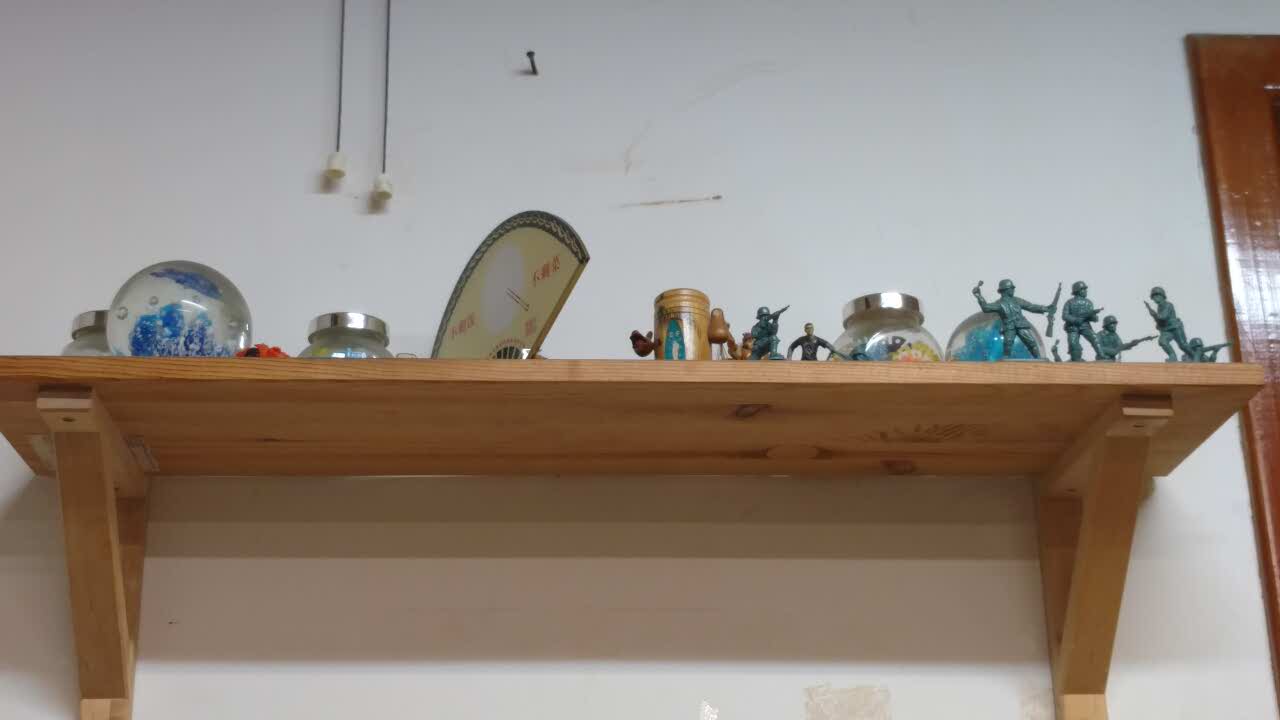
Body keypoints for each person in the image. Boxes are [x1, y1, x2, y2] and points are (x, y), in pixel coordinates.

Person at [972, 279, 1053, 359]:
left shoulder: (1017, 300)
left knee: (1032, 342)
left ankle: (1039, 358)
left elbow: (1031, 307)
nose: (1013, 290)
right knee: (1008, 343)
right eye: (1011, 288)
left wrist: (1045, 308)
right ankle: (1006, 360)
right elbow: (986, 308)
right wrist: (979, 296)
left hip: (1021, 325)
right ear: (1005, 290)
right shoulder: (999, 303)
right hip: (1009, 327)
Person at [1145, 286, 1192, 362]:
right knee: (1162, 341)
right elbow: (1160, 321)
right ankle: (1172, 356)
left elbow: (1163, 317)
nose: (1155, 298)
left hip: (1175, 328)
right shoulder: (1159, 307)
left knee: (1183, 345)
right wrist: (1157, 322)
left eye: (1157, 296)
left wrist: (1153, 314)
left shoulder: (1168, 305)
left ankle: (1194, 356)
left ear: (1162, 296)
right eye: (1153, 297)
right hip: (1167, 330)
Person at [1061, 281, 1103, 362]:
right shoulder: (1069, 302)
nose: (1086, 291)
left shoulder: (1088, 302)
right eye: (1083, 289)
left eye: (1085, 289)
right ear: (1077, 290)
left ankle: (1101, 355)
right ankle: (1076, 359)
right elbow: (1065, 316)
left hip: (1085, 326)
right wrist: (1075, 320)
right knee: (1073, 343)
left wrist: (1094, 318)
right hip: (1072, 327)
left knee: (1094, 338)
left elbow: (1090, 316)